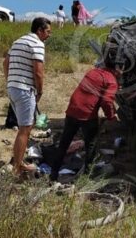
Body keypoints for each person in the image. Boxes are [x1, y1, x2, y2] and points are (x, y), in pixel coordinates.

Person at [50, 51, 121, 181]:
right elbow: (106, 101)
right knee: (91, 145)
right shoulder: (111, 81)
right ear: (117, 68)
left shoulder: (92, 72)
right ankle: (87, 177)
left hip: (72, 109)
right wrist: (112, 116)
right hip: (87, 115)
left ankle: (53, 174)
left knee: (64, 144)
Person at [4, 17, 51, 175]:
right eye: (48, 31)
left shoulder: (18, 41)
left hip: (13, 87)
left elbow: (6, 62)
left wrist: (10, 80)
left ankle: (18, 160)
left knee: (25, 126)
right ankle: (19, 165)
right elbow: (38, 71)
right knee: (25, 129)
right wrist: (40, 91)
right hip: (25, 89)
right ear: (39, 30)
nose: (49, 35)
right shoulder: (37, 44)